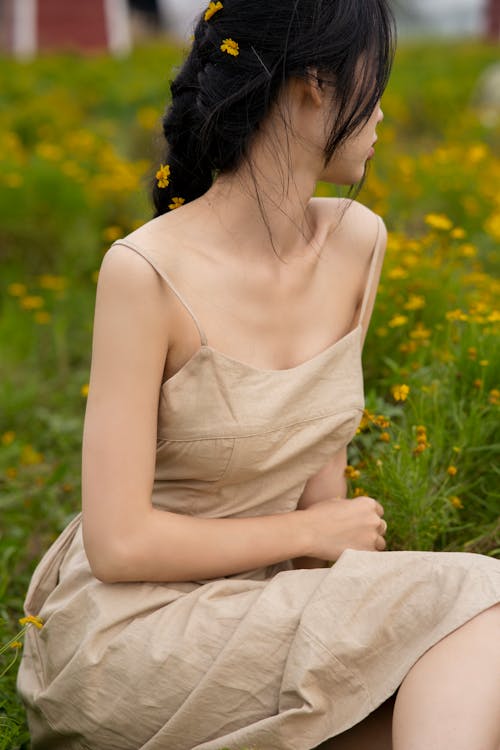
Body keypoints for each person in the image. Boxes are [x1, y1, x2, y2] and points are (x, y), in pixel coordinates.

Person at [18, 1, 500, 749]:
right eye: (375, 82)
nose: (383, 113)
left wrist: (333, 566)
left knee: (447, 689)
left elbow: (321, 484)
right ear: (314, 84)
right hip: (136, 632)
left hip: (266, 618)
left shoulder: (356, 242)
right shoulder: (147, 271)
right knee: (483, 597)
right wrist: (314, 530)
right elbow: (118, 543)